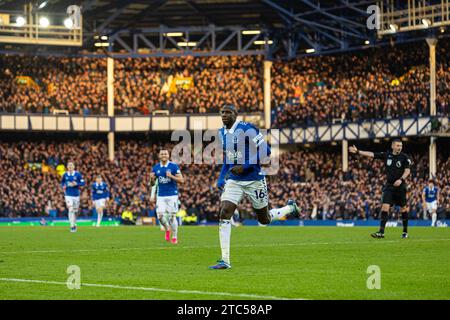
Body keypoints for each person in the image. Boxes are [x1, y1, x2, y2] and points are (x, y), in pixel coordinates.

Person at [209, 104, 300, 270]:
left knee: (264, 219)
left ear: (236, 115)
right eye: (222, 112)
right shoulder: (222, 133)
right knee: (225, 211)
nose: (224, 115)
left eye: (228, 112)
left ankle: (289, 208)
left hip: (254, 179)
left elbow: (266, 150)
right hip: (234, 180)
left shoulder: (247, 129)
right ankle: (225, 260)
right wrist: (221, 178)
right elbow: (228, 159)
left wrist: (245, 166)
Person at [349, 139, 412, 239]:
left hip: (400, 186)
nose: (399, 147)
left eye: (401, 146)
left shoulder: (404, 157)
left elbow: (407, 171)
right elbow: (372, 154)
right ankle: (381, 232)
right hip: (389, 186)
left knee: (403, 208)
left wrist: (401, 179)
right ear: (392, 146)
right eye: (397, 145)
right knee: (385, 207)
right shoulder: (387, 155)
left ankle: (405, 231)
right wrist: (358, 151)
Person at [150, 149, 184, 244]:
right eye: (162, 154)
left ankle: (174, 236)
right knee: (160, 216)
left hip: (172, 195)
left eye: (165, 153)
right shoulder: (156, 167)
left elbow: (182, 180)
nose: (164, 155)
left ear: (168, 155)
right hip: (161, 196)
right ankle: (167, 228)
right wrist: (151, 179)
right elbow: (152, 184)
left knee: (172, 217)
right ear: (159, 156)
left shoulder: (173, 166)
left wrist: (171, 176)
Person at [61, 162, 85, 232]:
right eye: (69, 165)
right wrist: (63, 186)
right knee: (70, 209)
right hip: (68, 195)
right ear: (67, 167)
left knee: (75, 211)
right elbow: (62, 182)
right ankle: (72, 226)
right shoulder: (65, 174)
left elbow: (83, 183)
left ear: (74, 167)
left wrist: (77, 184)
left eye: (71, 165)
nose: (70, 167)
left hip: (76, 195)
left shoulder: (78, 174)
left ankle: (74, 223)